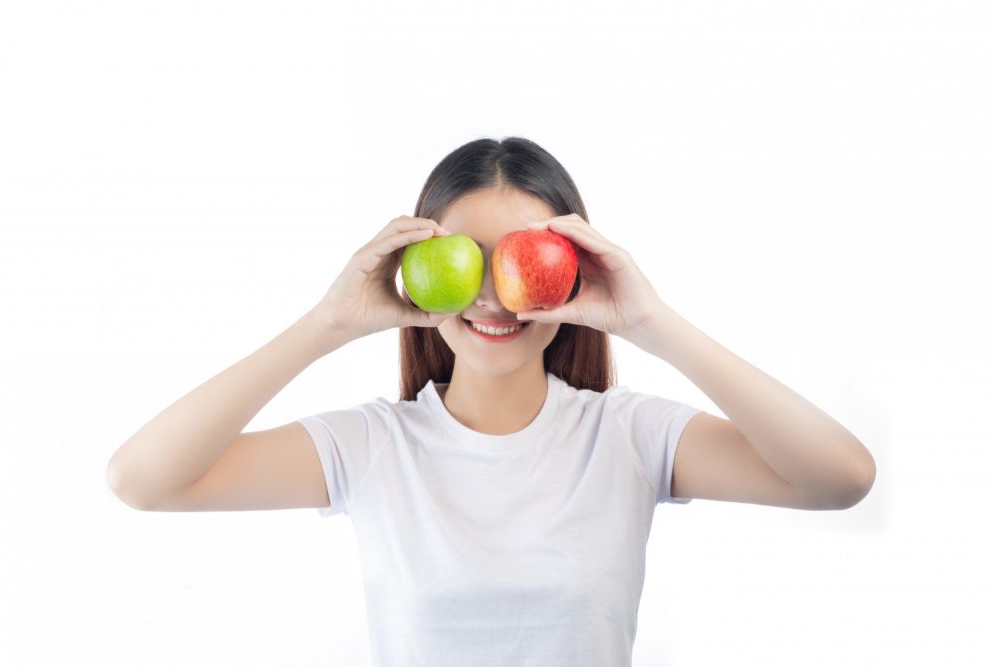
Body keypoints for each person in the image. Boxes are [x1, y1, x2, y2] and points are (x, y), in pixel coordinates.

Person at [107, 137, 876, 666]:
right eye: (463, 260)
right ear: (420, 266)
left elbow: (840, 475)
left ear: (572, 269)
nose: (490, 297)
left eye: (518, 260)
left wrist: (650, 321)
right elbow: (143, 479)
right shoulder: (374, 448)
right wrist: (326, 323)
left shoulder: (627, 435)